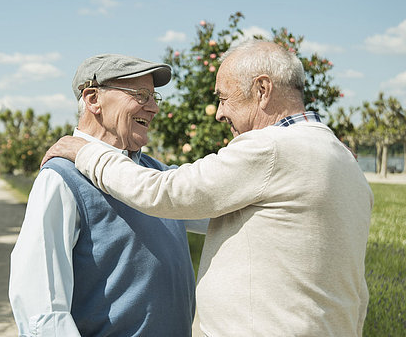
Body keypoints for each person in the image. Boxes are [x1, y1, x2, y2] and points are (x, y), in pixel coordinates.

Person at [43, 40, 373, 337]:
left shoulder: (271, 149)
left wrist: (83, 151)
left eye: (224, 98)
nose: (219, 113)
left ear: (261, 90)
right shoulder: (341, 159)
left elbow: (168, 194)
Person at [9, 54, 208, 336]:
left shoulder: (157, 175)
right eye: (141, 95)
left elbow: (220, 214)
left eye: (154, 97)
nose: (153, 108)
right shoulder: (61, 178)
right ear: (92, 99)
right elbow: (41, 304)